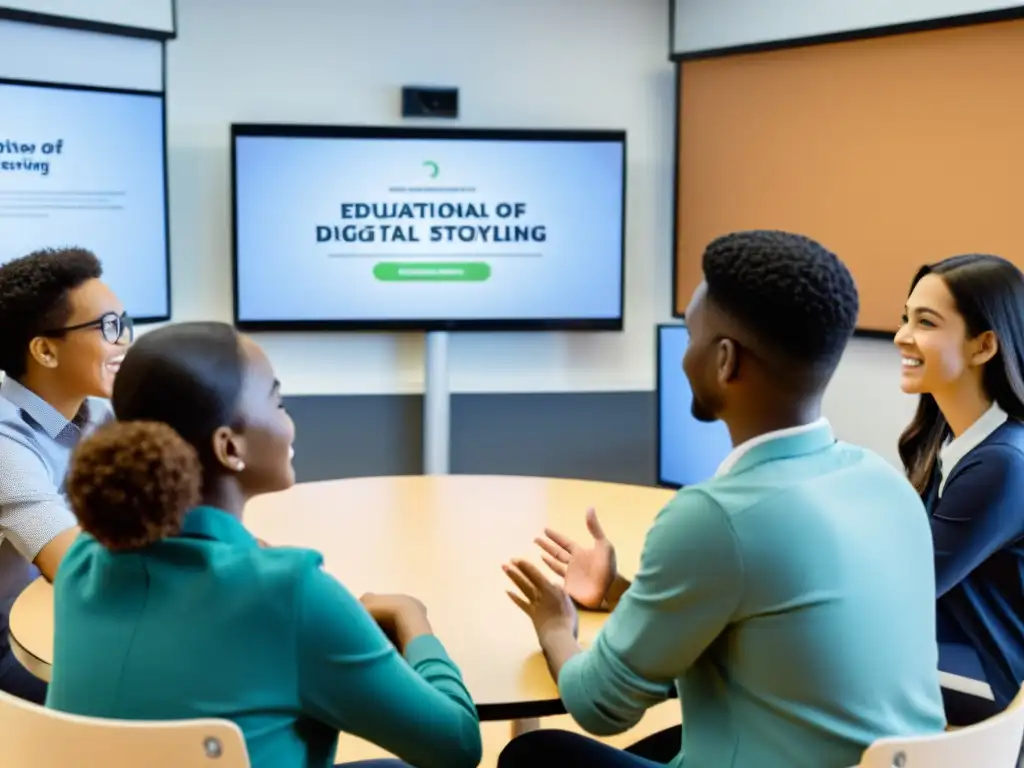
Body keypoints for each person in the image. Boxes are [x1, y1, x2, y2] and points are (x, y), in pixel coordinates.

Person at [498, 230, 947, 768]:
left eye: (691, 335)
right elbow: (775, 630)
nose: (684, 353)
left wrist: (554, 622)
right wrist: (623, 594)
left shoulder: (715, 518)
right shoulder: (886, 484)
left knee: (534, 753)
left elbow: (600, 705)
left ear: (725, 361)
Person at [46, 322, 482, 768]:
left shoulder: (83, 563)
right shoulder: (289, 591)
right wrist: (413, 619)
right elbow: (457, 746)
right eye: (278, 401)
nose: (289, 421)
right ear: (230, 447)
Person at [894, 254, 1024, 724]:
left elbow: (904, 586)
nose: (902, 337)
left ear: (983, 346)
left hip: (995, 680)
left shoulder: (1002, 464)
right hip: (954, 650)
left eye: (925, 322)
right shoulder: (949, 437)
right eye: (905, 318)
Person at [0, 247, 130, 703]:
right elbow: (77, 569)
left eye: (124, 324)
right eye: (108, 329)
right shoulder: (3, 442)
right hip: (10, 646)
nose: (124, 343)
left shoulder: (98, 416)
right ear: (45, 351)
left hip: (61, 619)